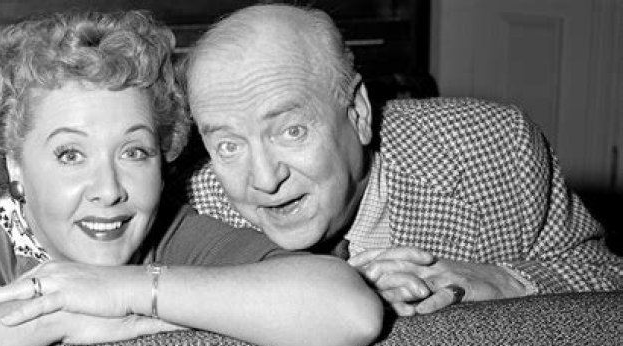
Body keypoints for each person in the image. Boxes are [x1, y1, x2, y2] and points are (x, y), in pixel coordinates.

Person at [0, 10, 384, 346]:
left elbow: (348, 311)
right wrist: (59, 313)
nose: (109, 190)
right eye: (70, 155)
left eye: (134, 152)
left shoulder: (171, 235)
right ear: (15, 165)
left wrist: (127, 291)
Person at [182, 4, 622, 317]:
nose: (264, 179)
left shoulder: (495, 148)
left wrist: (510, 282)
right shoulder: (194, 204)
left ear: (358, 113)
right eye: (229, 146)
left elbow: (605, 279)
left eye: (291, 131)